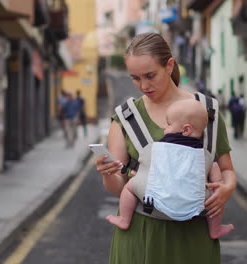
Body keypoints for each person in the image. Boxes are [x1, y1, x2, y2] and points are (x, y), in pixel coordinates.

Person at [94, 33, 236, 264]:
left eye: (150, 75)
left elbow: (226, 169)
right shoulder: (125, 118)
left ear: (169, 65)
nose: (144, 86)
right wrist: (107, 173)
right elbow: (119, 188)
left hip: (194, 238)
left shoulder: (206, 111)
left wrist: (227, 189)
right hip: (140, 237)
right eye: (135, 78)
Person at [106, 99, 234, 239]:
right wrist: (219, 184)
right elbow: (217, 169)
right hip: (195, 205)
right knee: (215, 199)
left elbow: (151, 168)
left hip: (155, 201)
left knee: (129, 188)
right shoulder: (204, 153)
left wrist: (140, 175)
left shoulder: (158, 147)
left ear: (186, 129)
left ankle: (124, 219)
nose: (164, 128)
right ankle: (215, 229)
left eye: (168, 124)